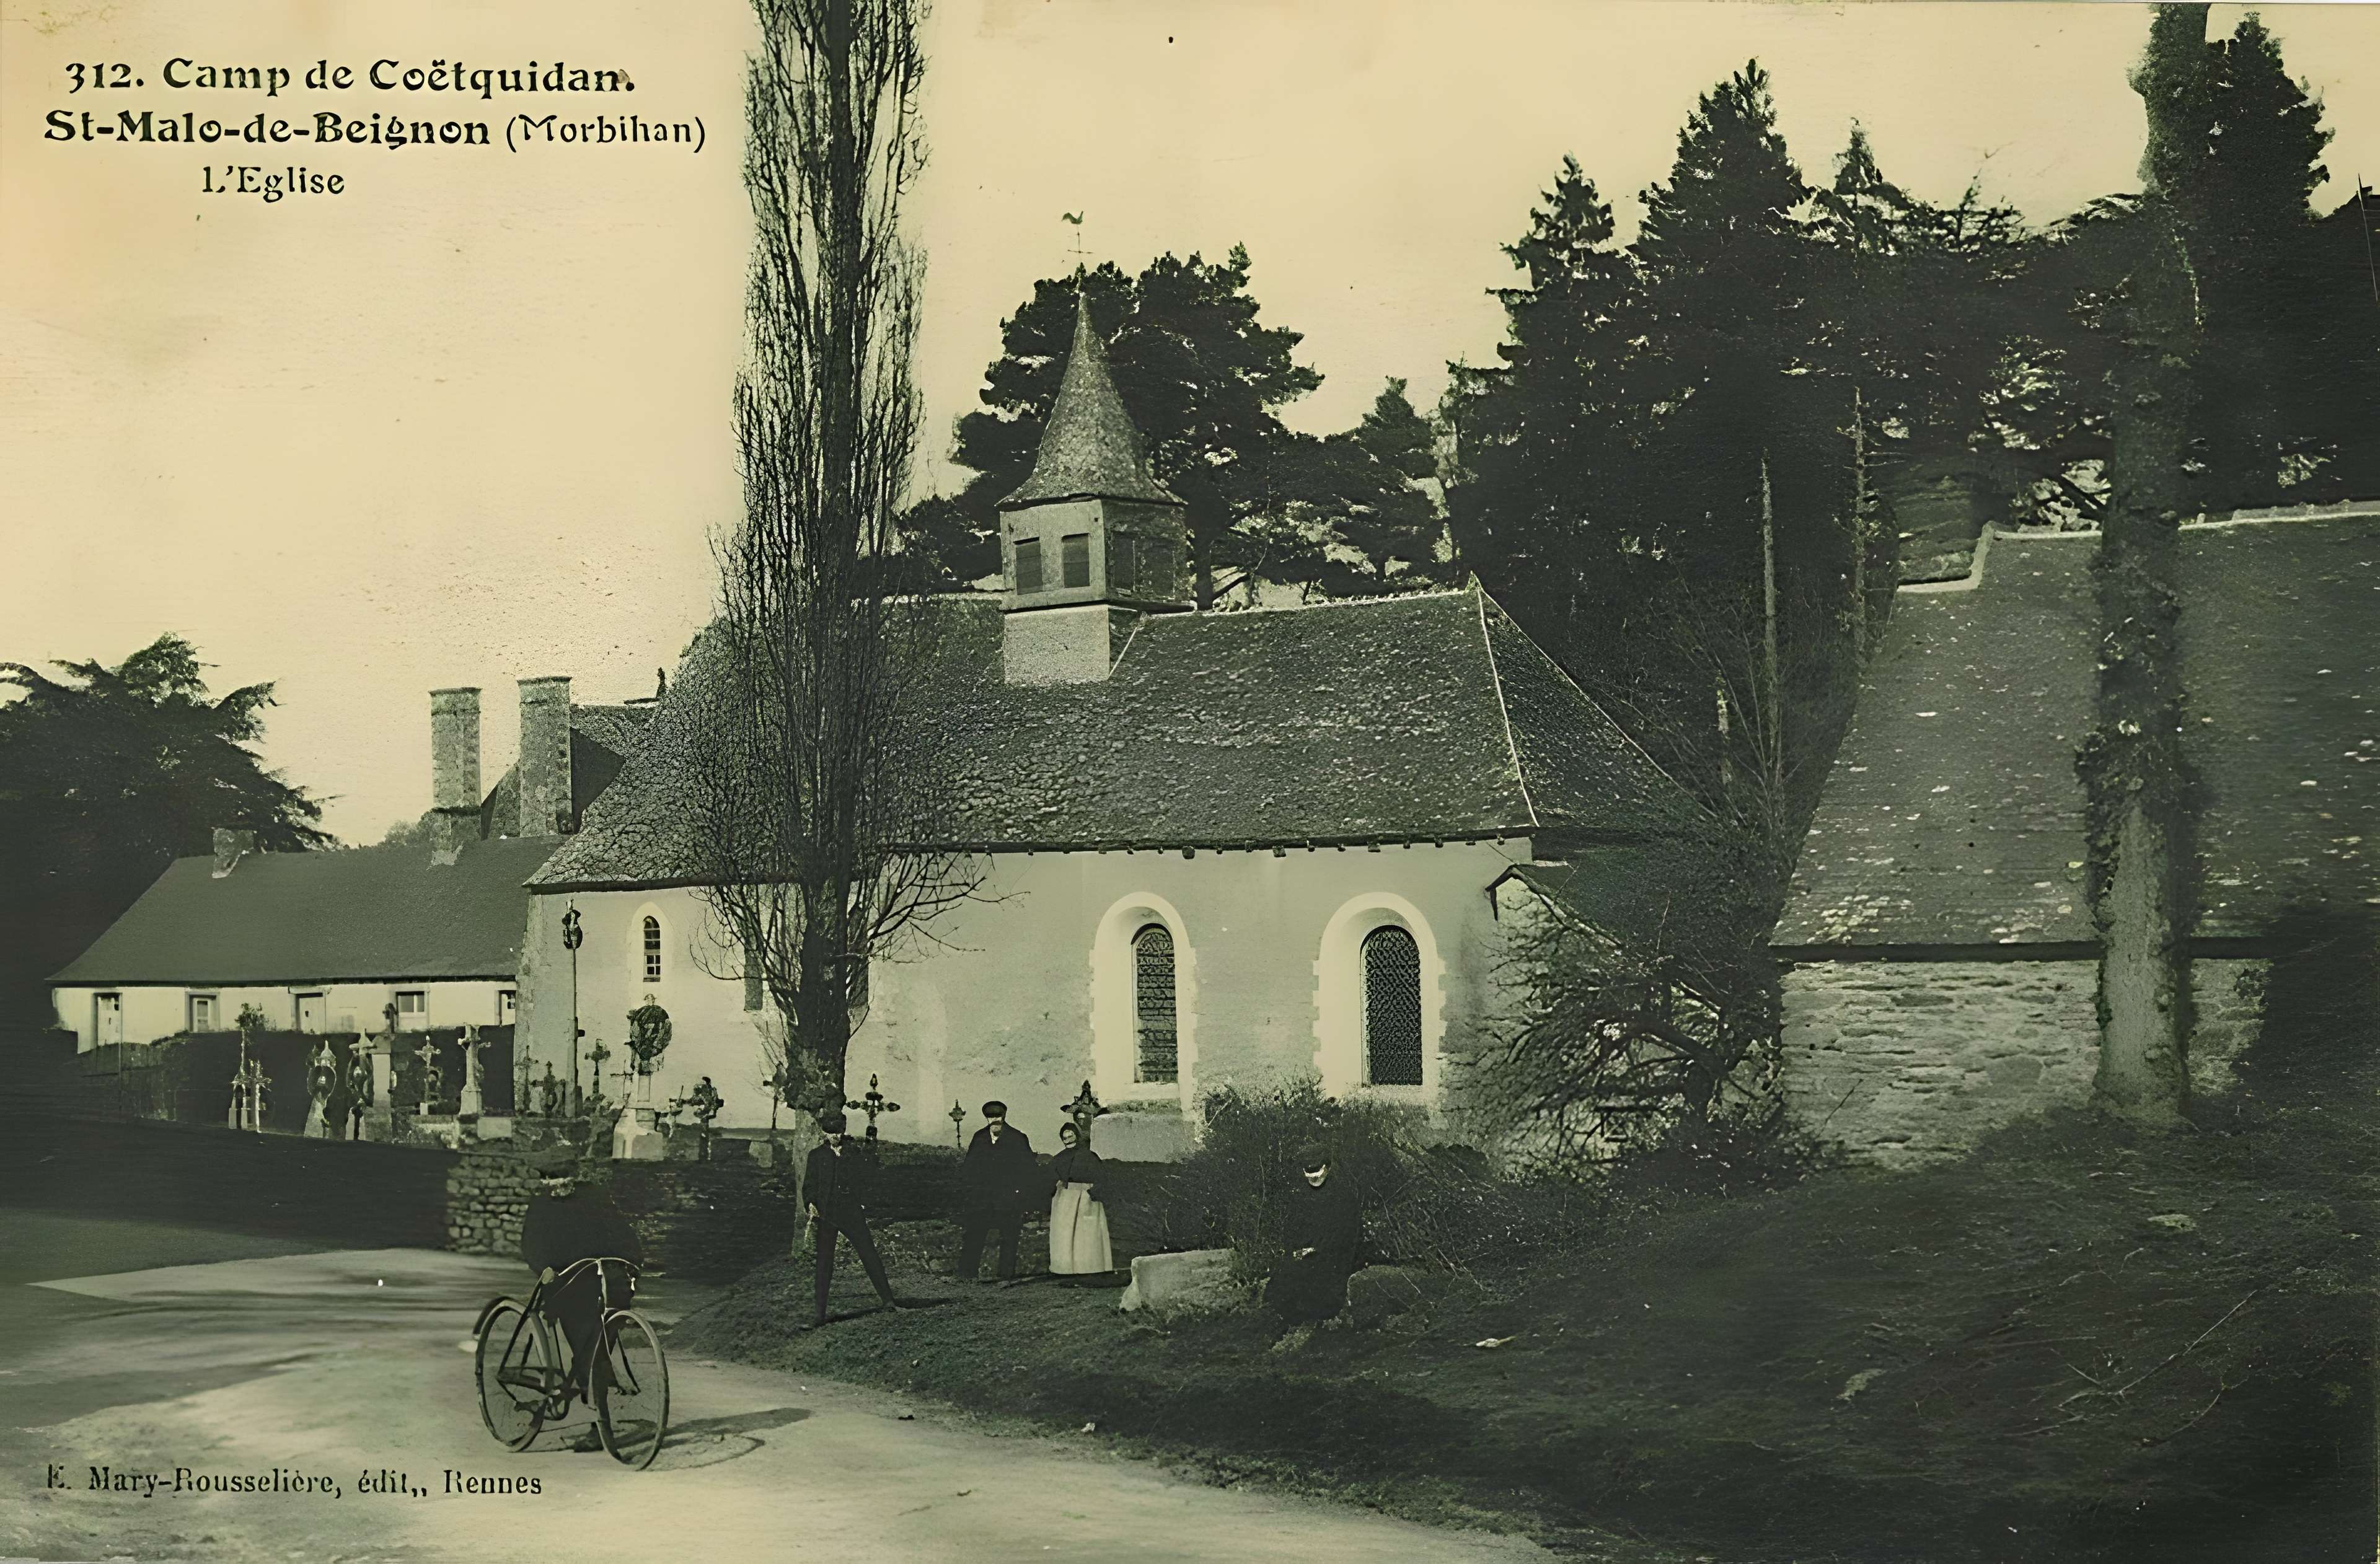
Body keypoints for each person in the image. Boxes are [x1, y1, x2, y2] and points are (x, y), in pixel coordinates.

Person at [517, 1144, 644, 1420]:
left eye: (563, 1174)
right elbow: (532, 1243)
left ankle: (592, 1375)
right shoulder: (541, 1204)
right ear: (543, 1178)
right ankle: (597, 1416)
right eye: (550, 1176)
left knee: (599, 1343)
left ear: (573, 1174)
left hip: (604, 1280)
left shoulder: (594, 1196)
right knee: (589, 1347)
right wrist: (544, 1268)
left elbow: (621, 1231)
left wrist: (633, 1261)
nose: (558, 1182)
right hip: (567, 1285)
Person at [803, 1109, 904, 1326]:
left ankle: (888, 1301)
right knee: (824, 1262)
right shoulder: (816, 1156)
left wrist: (865, 1200)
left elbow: (867, 1180)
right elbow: (809, 1185)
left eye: (838, 1132)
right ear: (823, 1132)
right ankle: (819, 1315)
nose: (835, 1136)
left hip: (851, 1211)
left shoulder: (854, 1154)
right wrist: (811, 1204)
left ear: (844, 1130)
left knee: (868, 1252)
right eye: (830, 1132)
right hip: (827, 1213)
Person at [1267, 1142, 1360, 1330]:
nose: (1314, 1179)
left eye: (1318, 1174)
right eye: (1309, 1175)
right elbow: (1294, 1227)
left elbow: (1346, 1233)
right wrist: (1295, 1248)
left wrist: (1317, 1249)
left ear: (1327, 1168)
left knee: (1321, 1292)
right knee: (1279, 1285)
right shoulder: (1301, 1195)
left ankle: (1316, 1327)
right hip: (1305, 1254)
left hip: (1334, 1255)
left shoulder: (1343, 1195)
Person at [956, 1101, 1040, 1281]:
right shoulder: (979, 1138)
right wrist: (972, 1191)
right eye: (990, 1117)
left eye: (998, 1117)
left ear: (1004, 1116)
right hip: (982, 1198)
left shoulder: (1018, 1138)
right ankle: (967, 1273)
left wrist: (1019, 1192)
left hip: (1008, 1197)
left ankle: (1005, 1276)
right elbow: (969, 1168)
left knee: (1009, 1235)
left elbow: (1028, 1170)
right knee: (975, 1233)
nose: (995, 1120)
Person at [1046, 1121, 1113, 1278]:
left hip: (1086, 1197)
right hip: (1065, 1200)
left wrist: (1093, 1193)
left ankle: (1090, 1268)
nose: (1068, 1140)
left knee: (1087, 1235)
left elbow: (1103, 1178)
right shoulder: (1058, 1158)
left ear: (1077, 1136)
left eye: (1071, 1136)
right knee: (1065, 1234)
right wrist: (1055, 1186)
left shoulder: (1090, 1156)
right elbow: (1050, 1178)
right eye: (1065, 1137)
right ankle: (1066, 1269)